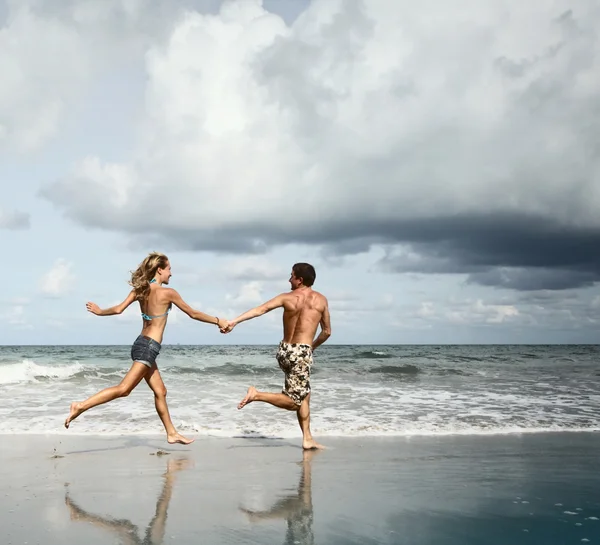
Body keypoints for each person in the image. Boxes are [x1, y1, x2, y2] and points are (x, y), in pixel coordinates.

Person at [64, 252, 228, 444]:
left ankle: (171, 433)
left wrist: (100, 312)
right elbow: (193, 313)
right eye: (169, 269)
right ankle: (80, 406)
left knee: (161, 391)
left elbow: (117, 309)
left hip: (141, 344)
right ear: (160, 269)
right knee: (124, 389)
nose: (171, 274)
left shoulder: (140, 290)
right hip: (148, 348)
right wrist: (218, 321)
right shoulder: (168, 293)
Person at [221, 263, 331, 450]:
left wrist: (234, 322)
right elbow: (326, 332)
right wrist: (311, 348)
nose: (289, 279)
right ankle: (257, 395)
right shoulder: (320, 300)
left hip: (283, 351)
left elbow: (260, 310)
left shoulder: (286, 298)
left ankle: (307, 438)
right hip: (301, 353)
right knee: (295, 401)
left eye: (292, 276)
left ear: (300, 280)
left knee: (304, 392)